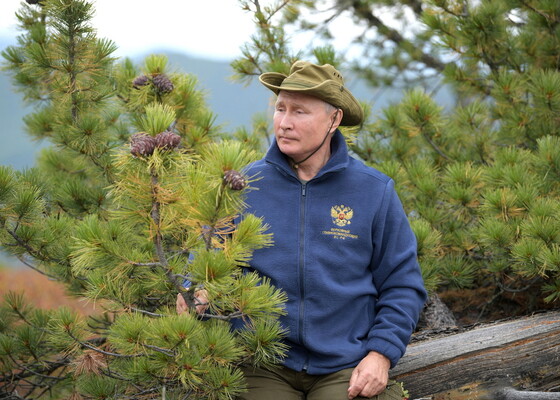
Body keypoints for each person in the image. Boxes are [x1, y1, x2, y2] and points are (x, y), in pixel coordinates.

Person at [178, 61, 427, 400]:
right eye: (280, 108)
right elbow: (202, 266)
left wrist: (380, 354)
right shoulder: (242, 186)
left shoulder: (373, 191)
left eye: (300, 111)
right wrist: (195, 290)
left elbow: (403, 285)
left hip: (345, 365)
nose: (284, 122)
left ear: (334, 119)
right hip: (259, 363)